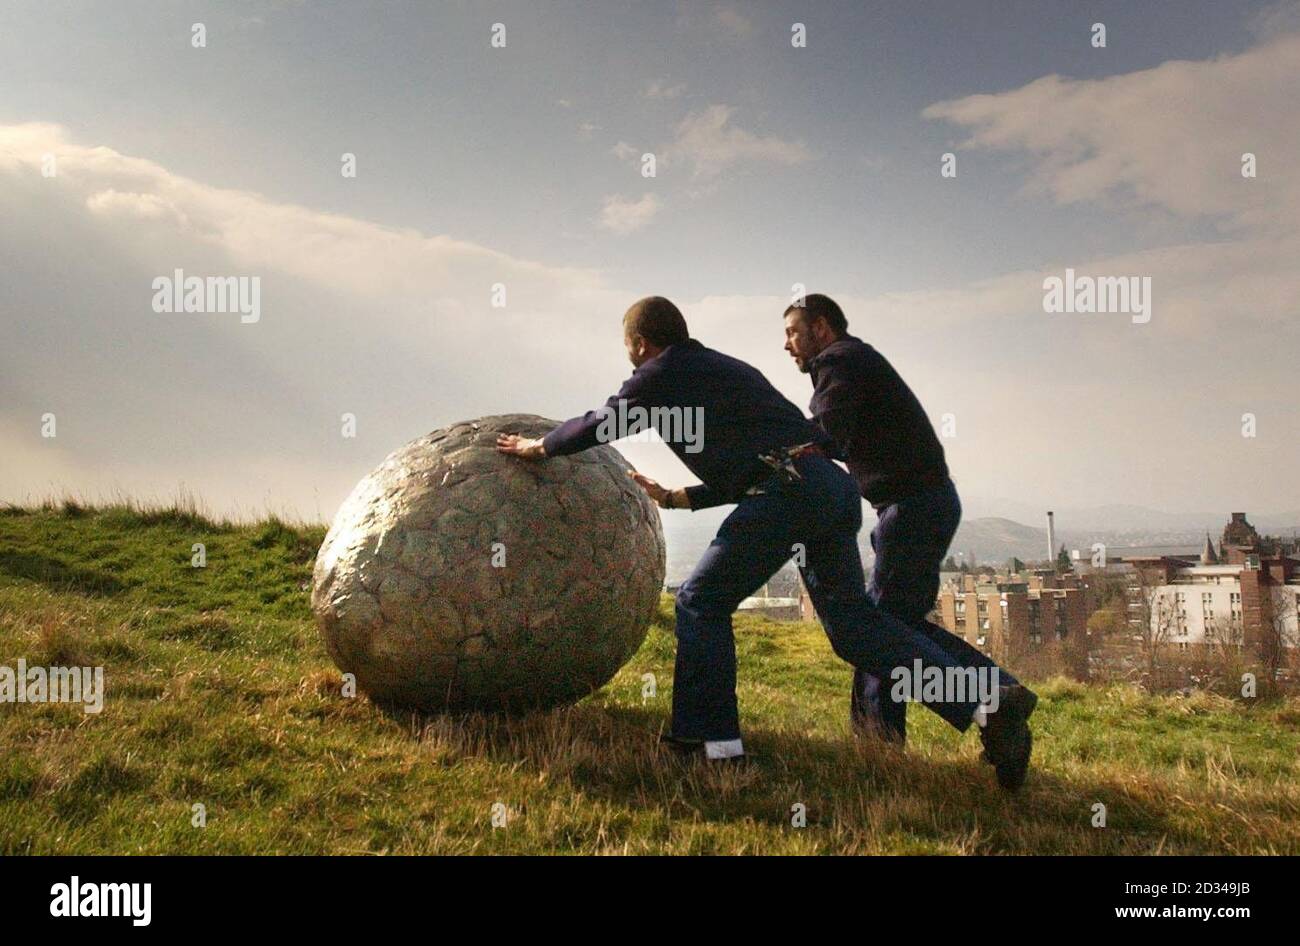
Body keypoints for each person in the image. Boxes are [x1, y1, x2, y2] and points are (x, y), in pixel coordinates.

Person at [498, 296, 1034, 788]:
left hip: (791, 493)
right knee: (854, 627)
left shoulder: (661, 372)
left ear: (640, 346)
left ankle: (713, 745)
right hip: (829, 489)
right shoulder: (726, 369)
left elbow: (607, 419)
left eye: (630, 354)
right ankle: (987, 702)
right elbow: (773, 454)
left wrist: (541, 446)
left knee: (700, 601)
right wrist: (681, 497)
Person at [782, 293, 1036, 780]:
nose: (787, 345)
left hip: (912, 508)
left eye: (793, 332)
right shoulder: (855, 361)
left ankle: (883, 745)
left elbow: (826, 433)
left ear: (821, 328)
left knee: (876, 629)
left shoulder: (840, 360)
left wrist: (778, 441)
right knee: (900, 626)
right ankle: (998, 696)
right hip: (924, 503)